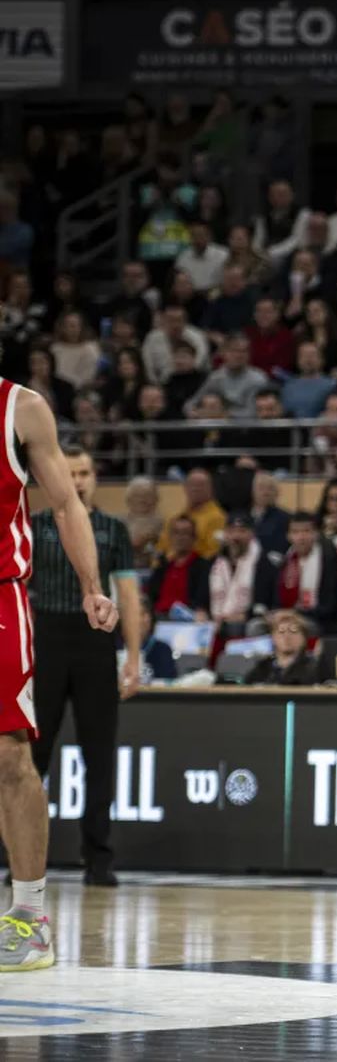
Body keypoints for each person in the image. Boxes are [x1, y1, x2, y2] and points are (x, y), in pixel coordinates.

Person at [0, 378, 120, 969]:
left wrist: (91, 587)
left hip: (0, 602)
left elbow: (68, 503)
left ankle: (29, 919)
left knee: (8, 756)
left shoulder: (21, 408)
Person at [27, 446, 141, 887]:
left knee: (99, 755)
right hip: (46, 640)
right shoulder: (35, 526)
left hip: (96, 640)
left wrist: (132, 656)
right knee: (31, 756)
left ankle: (98, 857)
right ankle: (19, 857)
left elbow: (128, 595)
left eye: (86, 472)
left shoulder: (112, 530)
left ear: (95, 478)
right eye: (71, 472)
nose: (78, 480)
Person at [244, 610, 319, 685]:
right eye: (281, 631)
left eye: (293, 631)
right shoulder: (262, 668)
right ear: (273, 637)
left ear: (304, 638)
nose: (287, 636)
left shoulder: (314, 668)